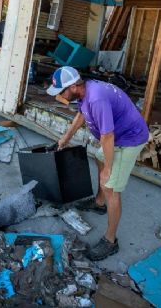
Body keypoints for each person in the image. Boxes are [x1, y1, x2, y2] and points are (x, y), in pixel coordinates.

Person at [47, 66, 148, 260]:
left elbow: (108, 136)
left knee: (111, 187)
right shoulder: (85, 93)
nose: (58, 96)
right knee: (99, 156)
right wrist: (65, 139)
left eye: (61, 91)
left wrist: (108, 170)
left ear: (74, 86)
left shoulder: (96, 98)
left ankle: (110, 241)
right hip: (117, 136)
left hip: (129, 139)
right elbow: (82, 114)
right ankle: (99, 203)